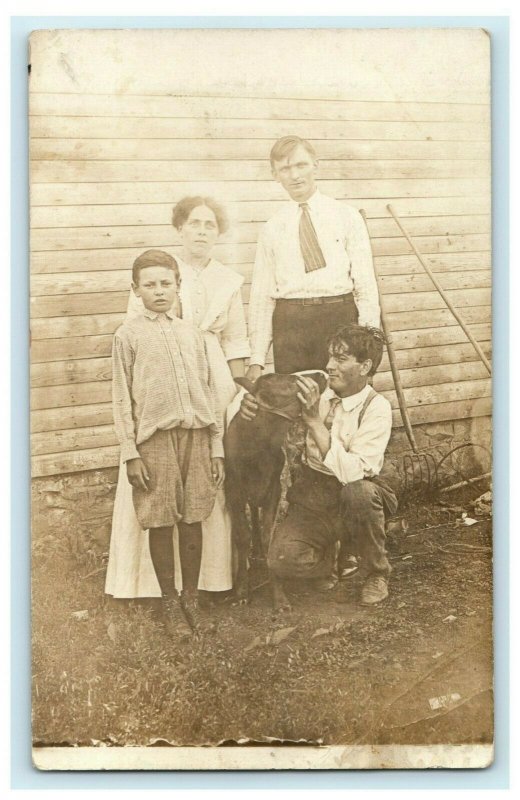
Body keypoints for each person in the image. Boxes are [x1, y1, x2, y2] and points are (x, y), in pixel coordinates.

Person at [105, 197, 250, 600]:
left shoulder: (228, 279)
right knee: (158, 493)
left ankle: (210, 582)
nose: (202, 231)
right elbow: (133, 358)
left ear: (218, 232)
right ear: (180, 229)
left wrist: (240, 392)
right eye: (193, 223)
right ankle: (151, 588)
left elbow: (237, 341)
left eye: (209, 224)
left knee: (203, 490)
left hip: (209, 387)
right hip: (157, 402)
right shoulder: (158, 273)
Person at [111, 249, 225, 640]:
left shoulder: (191, 334)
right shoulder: (127, 336)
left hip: (195, 434)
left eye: (166, 283)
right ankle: (170, 602)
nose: (159, 291)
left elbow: (209, 390)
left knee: (194, 516)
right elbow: (122, 398)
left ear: (178, 286)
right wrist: (130, 452)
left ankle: (192, 598)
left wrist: (216, 446)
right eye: (150, 284)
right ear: (136, 289)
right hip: (154, 440)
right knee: (161, 519)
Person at [265, 325, 398, 609]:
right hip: (314, 494)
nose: (329, 366)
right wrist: (255, 402)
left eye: (340, 359)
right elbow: (272, 404)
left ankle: (376, 572)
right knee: (282, 560)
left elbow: (352, 474)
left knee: (359, 493)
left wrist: (313, 422)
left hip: (357, 494)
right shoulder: (321, 395)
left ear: (365, 367)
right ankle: (328, 560)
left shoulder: (377, 407)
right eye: (330, 357)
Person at [247, 135, 381, 382]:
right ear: (275, 174)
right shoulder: (272, 227)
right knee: (296, 405)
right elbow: (262, 297)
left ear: (315, 166)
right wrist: (256, 358)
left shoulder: (347, 217)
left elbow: (365, 287)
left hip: (339, 318)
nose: (295, 175)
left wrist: (368, 346)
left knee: (342, 402)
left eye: (301, 165)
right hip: (291, 326)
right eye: (285, 169)